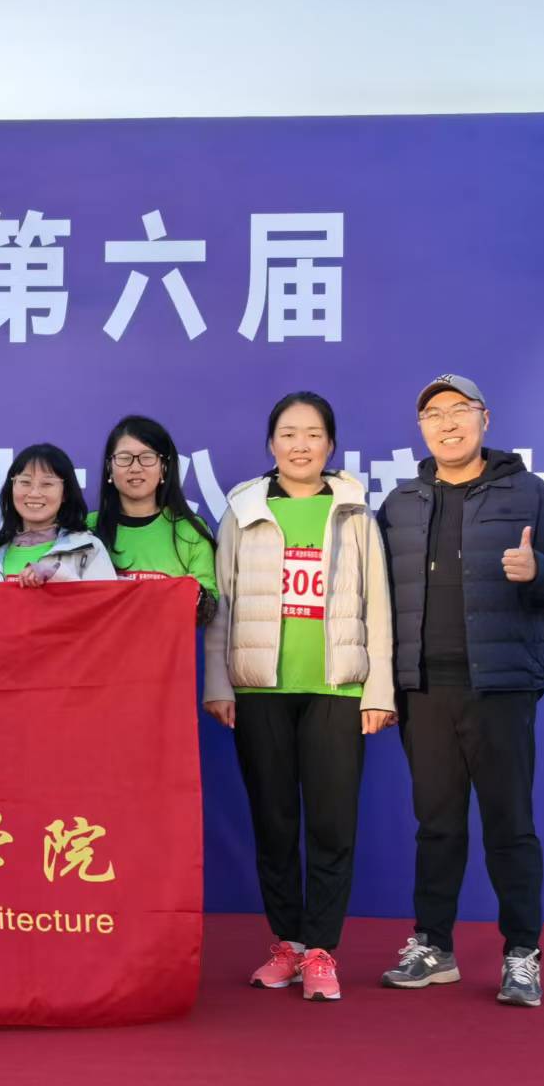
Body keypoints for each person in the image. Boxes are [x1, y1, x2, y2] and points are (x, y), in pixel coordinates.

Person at [377, 374, 544, 1008]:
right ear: (421, 429)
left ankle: (522, 953)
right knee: (436, 826)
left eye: (459, 410)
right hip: (423, 689)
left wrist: (539, 570)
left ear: (484, 419)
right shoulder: (401, 503)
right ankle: (433, 947)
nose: (447, 423)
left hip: (500, 687)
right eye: (433, 414)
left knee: (509, 824)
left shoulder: (529, 493)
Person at [202, 392, 394, 1002]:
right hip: (261, 688)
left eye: (313, 434)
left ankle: (321, 950)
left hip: (338, 687)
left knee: (333, 825)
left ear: (330, 444)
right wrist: (218, 681)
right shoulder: (244, 510)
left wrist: (379, 690)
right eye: (288, 434)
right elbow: (222, 601)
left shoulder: (354, 511)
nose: (300, 445)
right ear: (271, 444)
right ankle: (286, 943)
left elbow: (378, 605)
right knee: (274, 821)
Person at [89, 414, 219, 624]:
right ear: (109, 468)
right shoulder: (86, 529)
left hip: (165, 645)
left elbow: (208, 611)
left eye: (147, 457)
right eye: (124, 458)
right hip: (102, 645)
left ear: (164, 467)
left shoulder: (189, 529)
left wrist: (196, 597)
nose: (135, 467)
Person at [0, 444, 115, 585]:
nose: (34, 493)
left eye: (47, 484)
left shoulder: (89, 549)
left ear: (65, 493)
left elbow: (106, 599)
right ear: (11, 488)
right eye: (25, 482)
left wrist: (56, 576)